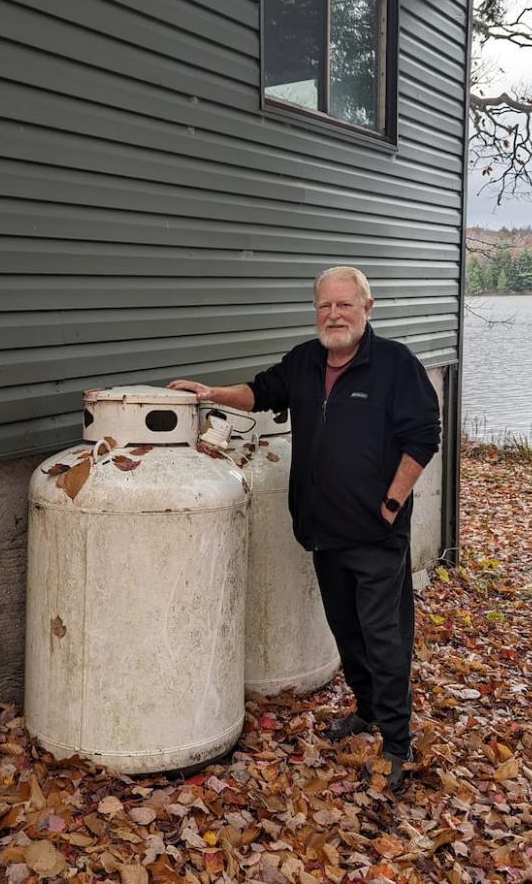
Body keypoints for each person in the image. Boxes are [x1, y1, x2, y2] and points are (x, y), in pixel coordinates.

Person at [169, 266, 441, 791]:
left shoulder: (394, 365)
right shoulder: (305, 361)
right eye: (324, 306)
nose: (333, 315)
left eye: (344, 304)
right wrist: (210, 393)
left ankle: (396, 742)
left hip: (376, 534)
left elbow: (423, 437)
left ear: (368, 308)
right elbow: (261, 391)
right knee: (346, 628)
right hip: (322, 531)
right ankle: (366, 710)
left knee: (384, 636)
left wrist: (391, 502)